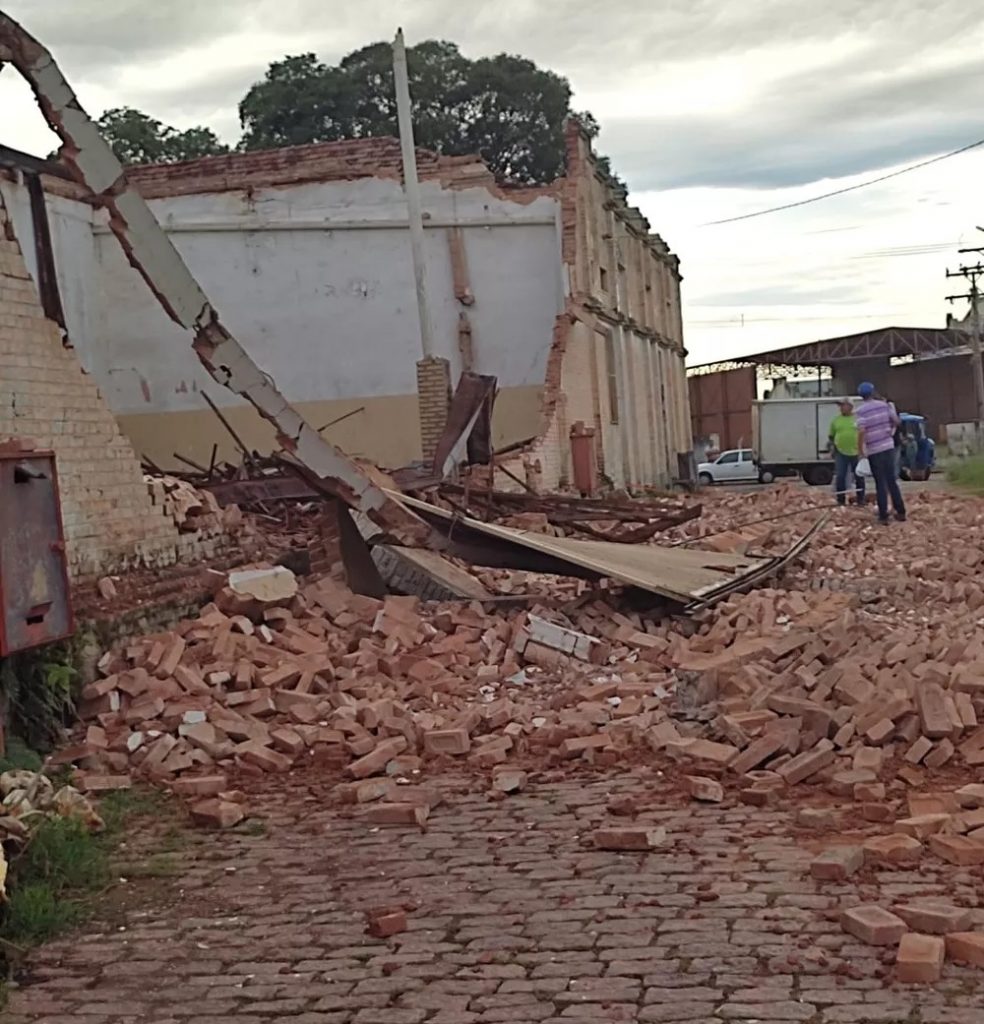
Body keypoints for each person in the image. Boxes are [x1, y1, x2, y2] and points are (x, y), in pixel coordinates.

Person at [855, 381, 906, 524]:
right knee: (892, 481)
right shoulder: (884, 406)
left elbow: (862, 431)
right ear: (873, 392)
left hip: (873, 450)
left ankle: (883, 515)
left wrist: (860, 450)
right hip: (888, 446)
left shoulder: (861, 411)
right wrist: (890, 430)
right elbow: (896, 421)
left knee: (880, 482)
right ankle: (900, 511)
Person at [828, 399, 864, 506]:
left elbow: (864, 432)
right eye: (840, 406)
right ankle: (841, 500)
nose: (841, 408)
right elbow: (831, 435)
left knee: (859, 476)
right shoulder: (836, 420)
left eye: (843, 405)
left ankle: (861, 499)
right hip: (841, 452)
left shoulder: (857, 419)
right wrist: (833, 446)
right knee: (840, 476)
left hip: (856, 452)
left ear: (850, 406)